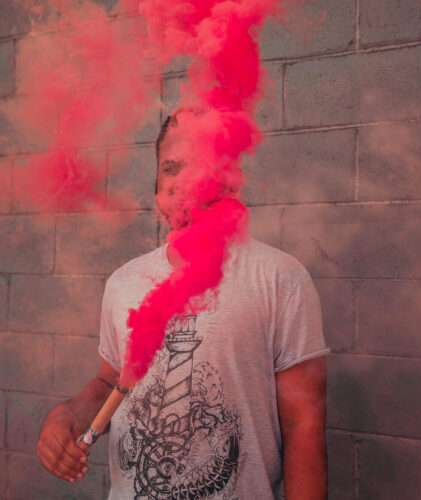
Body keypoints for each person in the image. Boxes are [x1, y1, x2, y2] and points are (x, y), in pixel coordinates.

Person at [37, 108, 330, 499]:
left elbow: (303, 424)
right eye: (171, 168)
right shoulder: (124, 282)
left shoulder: (279, 277)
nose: (183, 182)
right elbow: (110, 382)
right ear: (156, 182)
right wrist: (69, 413)